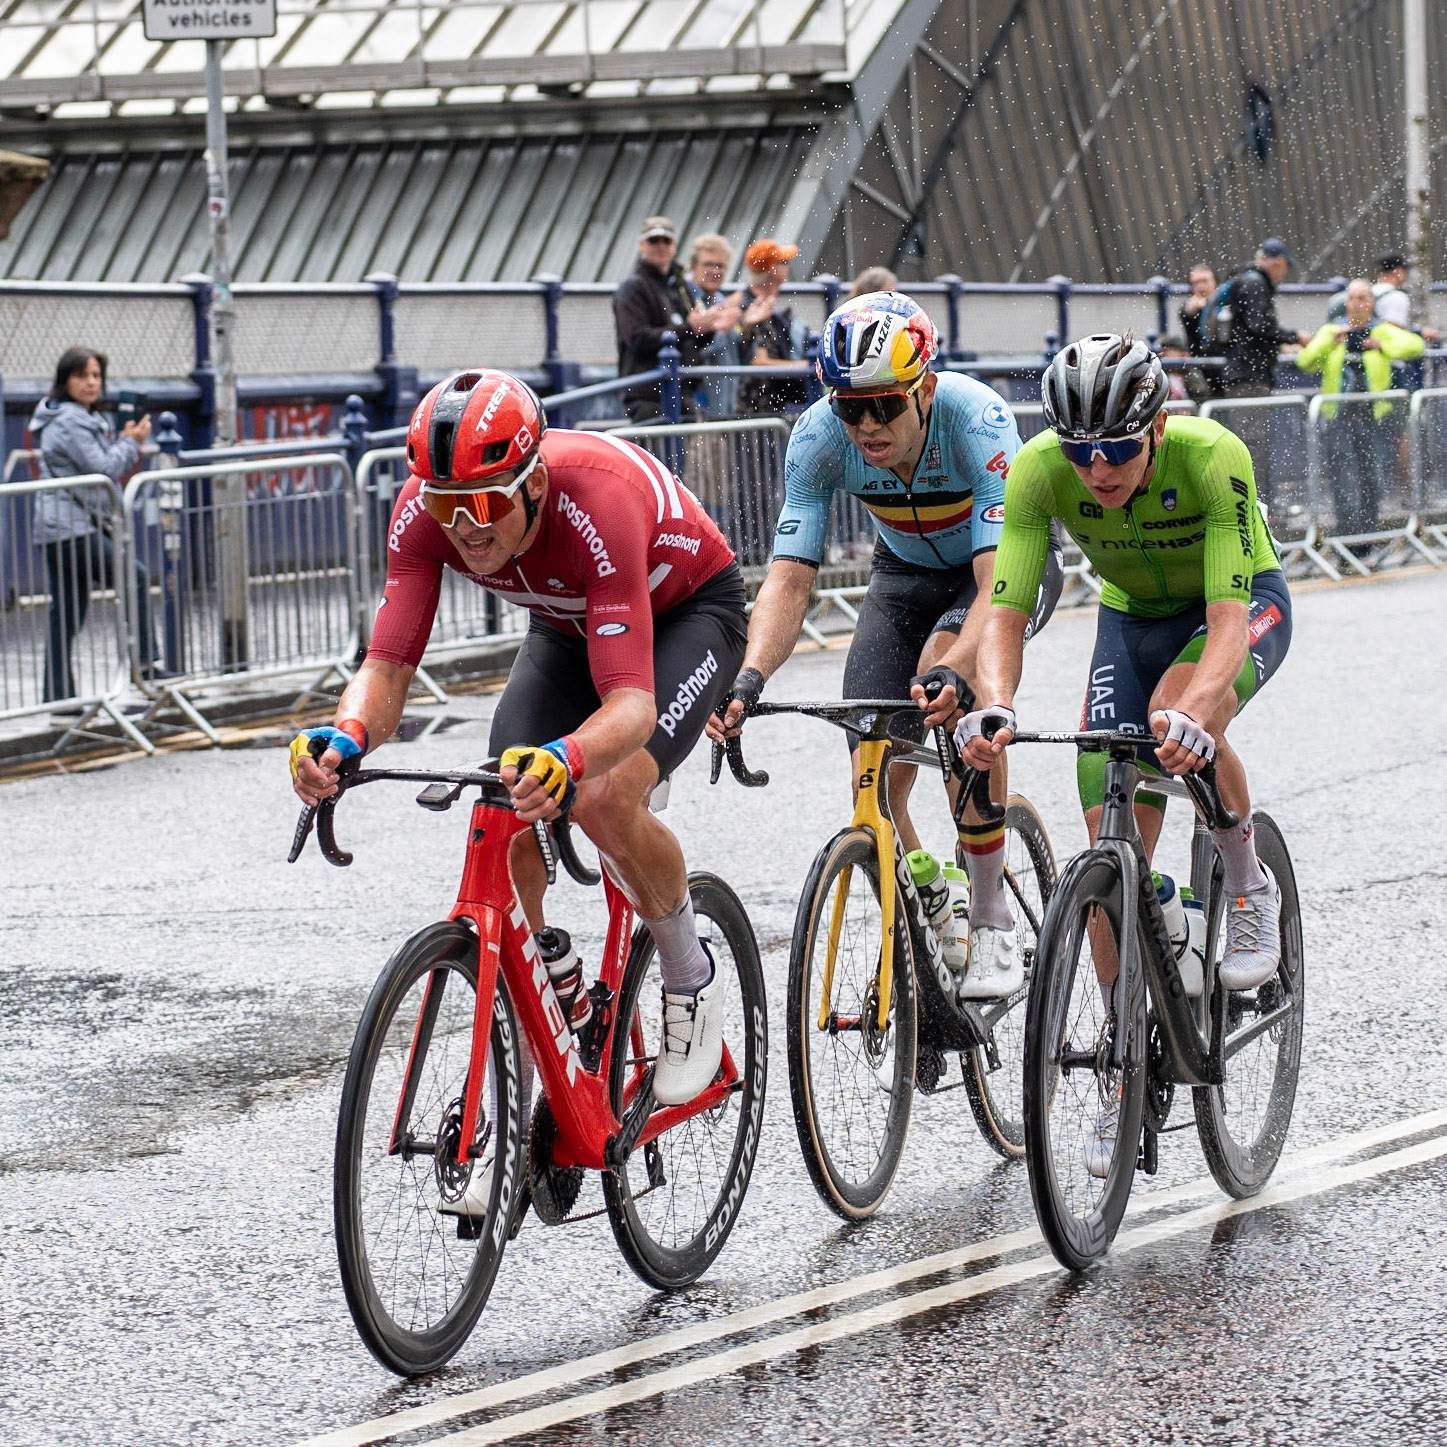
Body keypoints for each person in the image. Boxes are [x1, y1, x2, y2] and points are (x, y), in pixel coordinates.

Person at [290, 370, 746, 1107]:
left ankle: (690, 979)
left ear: (534, 481)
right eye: (444, 503)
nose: (464, 525)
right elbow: (387, 664)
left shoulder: (596, 499)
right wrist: (344, 738)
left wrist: (568, 758)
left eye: (483, 501)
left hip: (686, 615)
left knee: (601, 797)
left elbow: (629, 704)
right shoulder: (421, 512)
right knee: (500, 805)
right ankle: (538, 1015)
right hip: (566, 625)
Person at [956, 333, 1292, 1173]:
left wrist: (1196, 712)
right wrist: (994, 702)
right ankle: (1122, 1055)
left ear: (1157, 425)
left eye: (1115, 448)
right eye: (1081, 450)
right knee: (1103, 821)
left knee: (1173, 718)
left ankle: (1248, 882)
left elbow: (1224, 623)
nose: (1097, 468)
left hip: (1237, 606)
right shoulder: (1036, 472)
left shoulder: (1211, 456)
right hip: (1130, 616)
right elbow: (1003, 610)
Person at [708, 292, 1063, 1000]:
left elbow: (997, 581)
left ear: (923, 387)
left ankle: (992, 916)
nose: (865, 424)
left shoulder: (974, 418)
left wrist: (957, 669)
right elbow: (787, 577)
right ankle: (932, 887)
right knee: (870, 758)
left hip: (995, 570)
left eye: (884, 405)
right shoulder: (815, 437)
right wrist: (747, 676)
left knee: (950, 692)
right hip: (902, 574)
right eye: (849, 407)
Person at [26, 346, 163, 706]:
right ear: (64, 380)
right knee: (131, 576)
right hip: (69, 528)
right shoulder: (70, 422)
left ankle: (58, 698)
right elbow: (102, 467)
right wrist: (131, 443)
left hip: (62, 527)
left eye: (96, 376)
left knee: (67, 612)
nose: (90, 383)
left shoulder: (75, 418)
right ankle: (147, 664)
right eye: (81, 375)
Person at [1296, 278, 1424, 534]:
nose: (1356, 304)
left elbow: (1415, 346)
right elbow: (1305, 361)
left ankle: (1368, 534)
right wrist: (1331, 342)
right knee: (1342, 478)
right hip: (1339, 417)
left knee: (1372, 478)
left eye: (1362, 298)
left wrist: (1382, 346)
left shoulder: (1381, 330)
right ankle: (1348, 533)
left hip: (1372, 418)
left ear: (1371, 303)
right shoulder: (1332, 330)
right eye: (1351, 299)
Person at [1217, 239, 1313, 509]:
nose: (1282, 275)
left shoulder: (1242, 280)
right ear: (1278, 262)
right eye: (1283, 268)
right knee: (1254, 444)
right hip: (1249, 376)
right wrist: (1292, 336)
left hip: (1242, 373)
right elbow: (1259, 325)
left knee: (1250, 442)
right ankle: (1257, 506)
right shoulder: (1255, 284)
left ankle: (1256, 503)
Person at [613, 216, 710, 424]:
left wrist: (709, 328)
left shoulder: (678, 285)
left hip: (682, 390)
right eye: (653, 240)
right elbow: (637, 339)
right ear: (642, 245)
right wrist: (689, 327)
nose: (661, 246)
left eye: (666, 241)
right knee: (656, 454)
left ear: (675, 245)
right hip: (648, 396)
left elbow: (691, 337)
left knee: (686, 453)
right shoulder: (632, 287)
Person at [735, 239, 810, 418]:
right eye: (784, 263)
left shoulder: (758, 303)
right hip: (756, 408)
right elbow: (758, 361)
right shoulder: (753, 306)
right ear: (772, 270)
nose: (788, 268)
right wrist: (806, 366)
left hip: (767, 405)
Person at [682, 232, 743, 419]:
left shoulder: (722, 299)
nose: (715, 271)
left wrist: (747, 329)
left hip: (727, 405)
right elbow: (689, 354)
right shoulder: (683, 298)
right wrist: (718, 331)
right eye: (708, 264)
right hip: (698, 406)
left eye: (721, 266)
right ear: (693, 266)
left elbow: (739, 353)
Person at [1176, 263, 1224, 395]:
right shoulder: (1190, 307)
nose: (1200, 286)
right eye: (1196, 283)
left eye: (1204, 281)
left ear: (1215, 282)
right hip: (1200, 369)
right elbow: (1186, 312)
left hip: (1224, 368)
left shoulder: (1224, 304)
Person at [1158, 334, 1211, 405]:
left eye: (1171, 350)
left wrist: (1188, 368)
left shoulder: (1189, 373)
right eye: (1164, 351)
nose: (1165, 354)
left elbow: (1201, 393)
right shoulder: (1161, 374)